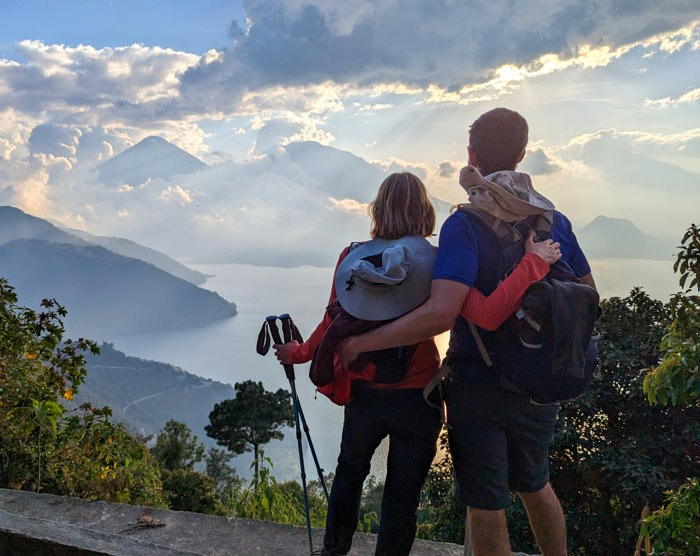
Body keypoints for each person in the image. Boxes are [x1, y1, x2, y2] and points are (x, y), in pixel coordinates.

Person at [338, 108, 596, 556]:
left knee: (485, 503)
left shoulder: (466, 224)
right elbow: (589, 296)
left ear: (472, 156)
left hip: (480, 384)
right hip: (541, 380)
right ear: (522, 153)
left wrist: (360, 343)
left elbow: (441, 314)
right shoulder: (553, 221)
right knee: (537, 486)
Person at [274, 170, 561, 556]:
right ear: (425, 211)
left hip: (367, 396)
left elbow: (332, 323)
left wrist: (295, 353)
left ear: (378, 210)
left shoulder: (352, 257)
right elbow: (478, 310)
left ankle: (333, 550)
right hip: (420, 397)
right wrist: (530, 264)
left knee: (348, 476)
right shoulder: (438, 260)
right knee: (401, 497)